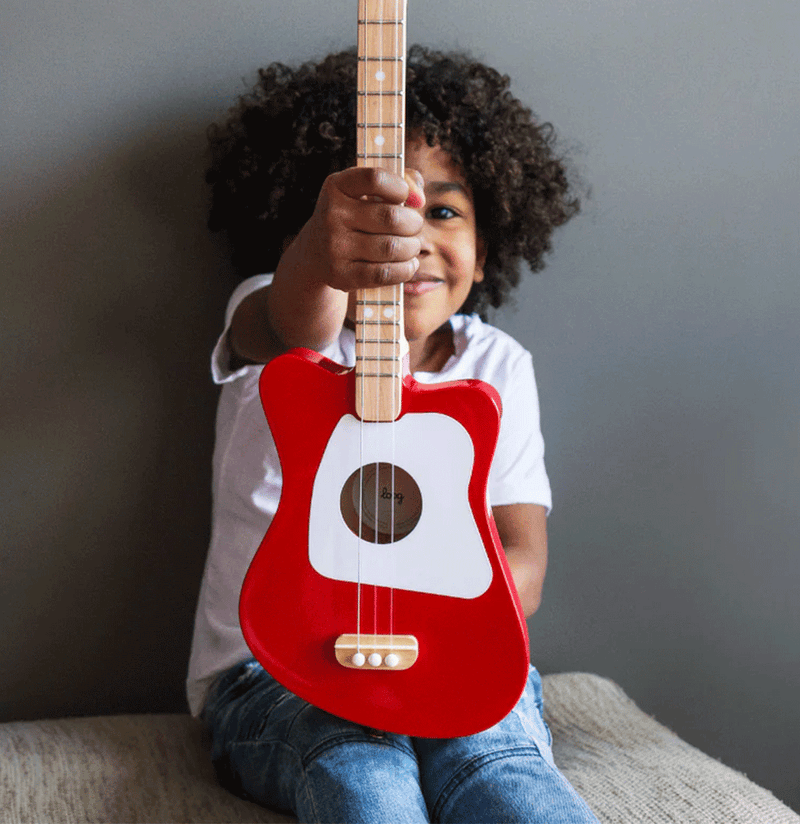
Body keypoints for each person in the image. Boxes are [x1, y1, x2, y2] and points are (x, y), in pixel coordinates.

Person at [187, 46, 598, 823]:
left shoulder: (496, 369)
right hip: (270, 671)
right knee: (360, 773)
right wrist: (323, 252)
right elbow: (290, 323)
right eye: (380, 216)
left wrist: (433, 621)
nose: (407, 237)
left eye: (441, 212)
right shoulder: (280, 319)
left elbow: (525, 563)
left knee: (504, 772)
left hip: (451, 653)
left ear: (486, 250)